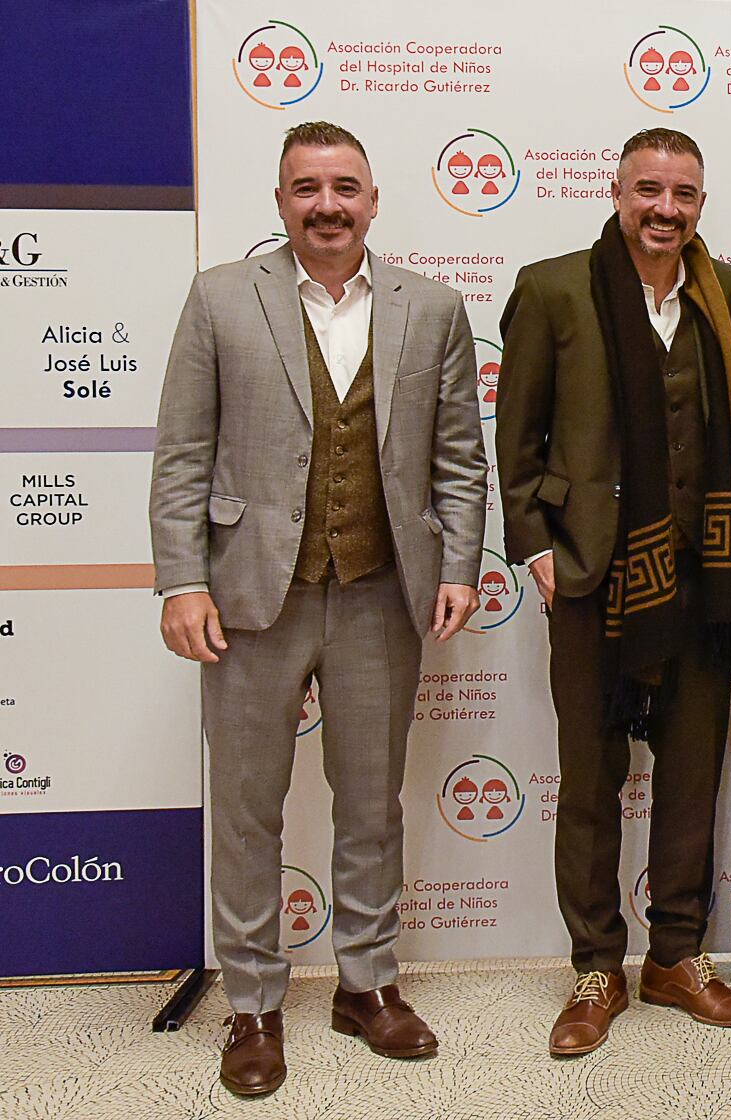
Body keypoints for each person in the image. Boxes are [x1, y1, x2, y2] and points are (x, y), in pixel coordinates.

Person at [149, 121, 487, 1098]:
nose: (327, 204)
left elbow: (459, 458)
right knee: (249, 812)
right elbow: (181, 455)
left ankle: (367, 986)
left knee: (371, 807)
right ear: (282, 201)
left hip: (383, 592)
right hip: (252, 594)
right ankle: (252, 1004)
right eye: (307, 188)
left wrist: (458, 563)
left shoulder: (432, 308)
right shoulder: (220, 300)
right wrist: (181, 580)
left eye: (346, 187)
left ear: (374, 200)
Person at [495, 128, 731, 1055]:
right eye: (648, 190)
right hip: (591, 572)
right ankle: (594, 966)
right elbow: (518, 436)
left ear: (701, 203)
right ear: (616, 193)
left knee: (693, 772)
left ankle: (677, 958)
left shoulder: (727, 293)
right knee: (593, 778)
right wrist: (535, 548)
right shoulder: (553, 288)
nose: (665, 209)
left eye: (683, 194)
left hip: (703, 578)